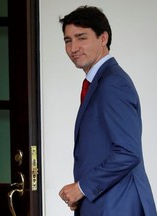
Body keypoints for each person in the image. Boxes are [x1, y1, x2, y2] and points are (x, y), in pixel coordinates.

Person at [58, 6, 157, 216]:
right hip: (107, 203)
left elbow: (128, 153)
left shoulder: (113, 83)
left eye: (81, 37)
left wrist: (81, 188)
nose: (73, 47)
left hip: (120, 205)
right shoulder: (100, 81)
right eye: (68, 40)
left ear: (103, 38)